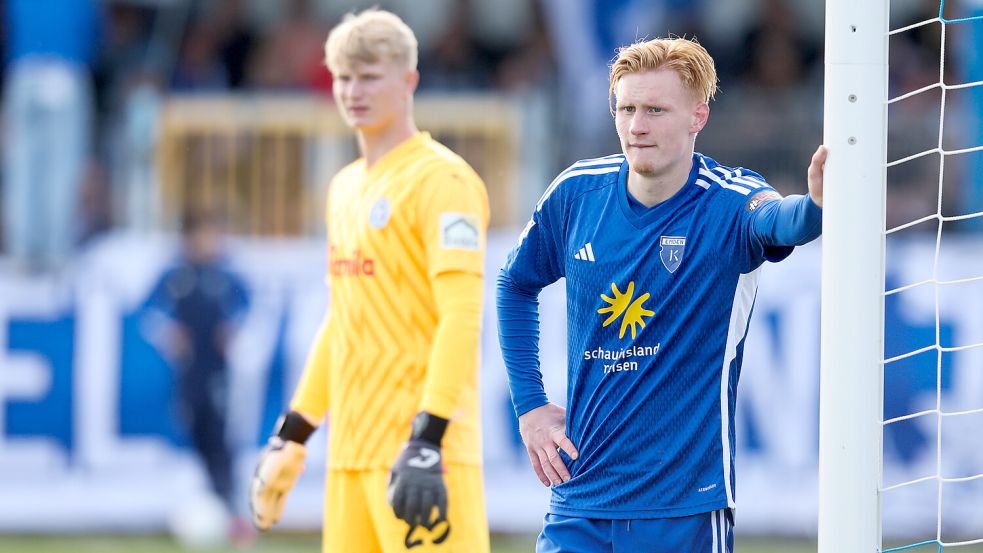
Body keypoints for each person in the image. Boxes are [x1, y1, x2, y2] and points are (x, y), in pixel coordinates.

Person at [496, 37, 827, 553]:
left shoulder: (730, 200)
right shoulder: (576, 194)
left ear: (698, 116)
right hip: (580, 498)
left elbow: (780, 221)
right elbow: (514, 285)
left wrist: (816, 205)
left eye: (655, 110)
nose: (636, 126)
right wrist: (531, 407)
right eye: (625, 109)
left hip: (684, 507)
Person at [248, 9, 491, 553]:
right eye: (343, 77)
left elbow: (461, 315)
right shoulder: (344, 188)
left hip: (422, 457)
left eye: (370, 76)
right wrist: (294, 435)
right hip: (351, 456)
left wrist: (429, 439)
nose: (353, 91)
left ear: (409, 81)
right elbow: (344, 317)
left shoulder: (444, 181)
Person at [143, 207, 249, 533]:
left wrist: (234, 332)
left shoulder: (226, 277)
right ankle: (185, 512)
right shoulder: (176, 276)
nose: (211, 242)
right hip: (186, 376)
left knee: (219, 444)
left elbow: (248, 312)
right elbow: (149, 314)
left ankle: (231, 514)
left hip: (218, 375)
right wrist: (170, 335)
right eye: (205, 234)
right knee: (184, 442)